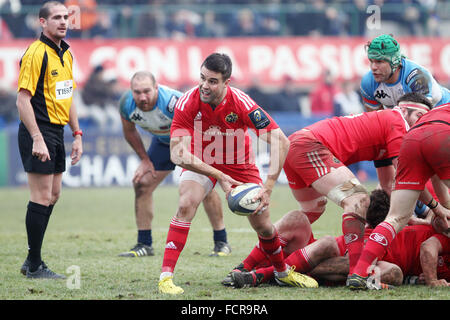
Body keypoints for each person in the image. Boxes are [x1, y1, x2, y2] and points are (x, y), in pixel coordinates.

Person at [158, 52, 318, 294]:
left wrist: (269, 186)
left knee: (264, 226)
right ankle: (166, 278)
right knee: (185, 203)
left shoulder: (242, 104)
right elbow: (177, 154)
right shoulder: (188, 102)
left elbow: (281, 141)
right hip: (202, 161)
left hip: (240, 166)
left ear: (226, 82)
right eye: (202, 78)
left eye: (212, 81)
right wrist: (218, 175)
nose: (204, 85)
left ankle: (282, 273)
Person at [282, 92, 433, 279]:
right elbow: (406, 177)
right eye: (419, 117)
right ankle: (356, 273)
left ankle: (251, 266)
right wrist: (436, 208)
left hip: (299, 144)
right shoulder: (398, 122)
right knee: (358, 198)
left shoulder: (387, 129)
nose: (420, 125)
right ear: (404, 110)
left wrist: (408, 217)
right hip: (310, 146)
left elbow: (387, 184)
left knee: (311, 211)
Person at [226, 189, 450, 289]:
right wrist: (430, 280)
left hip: (337, 263)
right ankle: (246, 268)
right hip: (336, 254)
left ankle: (274, 273)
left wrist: (419, 278)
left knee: (394, 273)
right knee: (302, 222)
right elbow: (428, 247)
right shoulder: (434, 231)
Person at [117, 71, 231, 258]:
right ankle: (144, 244)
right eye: (137, 92)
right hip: (164, 143)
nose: (142, 97)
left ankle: (222, 241)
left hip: (193, 142)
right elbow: (129, 132)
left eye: (147, 91)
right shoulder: (126, 105)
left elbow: (207, 120)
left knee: (204, 189)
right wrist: (145, 160)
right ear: (131, 91)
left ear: (157, 88)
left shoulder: (174, 102)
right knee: (142, 184)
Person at [348, 103, 450, 290]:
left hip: (412, 137)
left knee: (396, 217)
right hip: (441, 134)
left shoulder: (436, 110)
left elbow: (435, 182)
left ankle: (359, 272)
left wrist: (440, 209)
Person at [17, 1, 82, 279]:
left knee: (53, 195)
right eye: (56, 17)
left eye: (65, 17)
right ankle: (34, 264)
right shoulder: (35, 53)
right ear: (42, 23)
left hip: (57, 132)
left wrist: (77, 133)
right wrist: (37, 137)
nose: (63, 22)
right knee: (41, 196)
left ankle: (32, 261)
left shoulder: (66, 54)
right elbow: (22, 100)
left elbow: (68, 98)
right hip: (39, 130)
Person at [360, 34, 450, 111]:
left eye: (379, 62)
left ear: (394, 62)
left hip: (443, 109)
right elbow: (376, 120)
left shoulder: (417, 77)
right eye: (371, 61)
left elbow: (420, 117)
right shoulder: (368, 82)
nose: (373, 67)